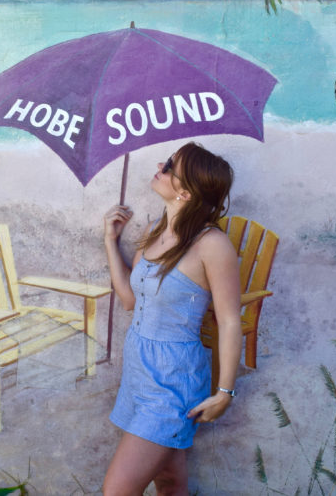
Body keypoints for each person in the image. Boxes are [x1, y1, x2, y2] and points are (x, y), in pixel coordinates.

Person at [101, 142, 242, 496]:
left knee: (117, 490)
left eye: (169, 167)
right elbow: (131, 300)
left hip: (174, 379)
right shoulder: (155, 230)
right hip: (139, 369)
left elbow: (228, 321)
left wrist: (225, 392)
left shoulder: (212, 244)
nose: (160, 167)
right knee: (170, 481)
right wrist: (110, 242)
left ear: (185, 190)